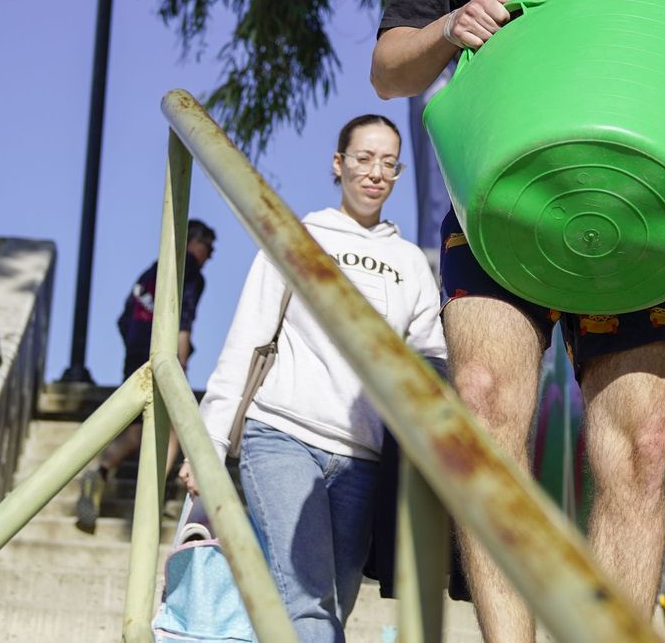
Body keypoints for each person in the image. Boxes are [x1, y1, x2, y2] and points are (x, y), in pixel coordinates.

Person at [371, 0, 665, 641]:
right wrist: (448, 27)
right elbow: (389, 65)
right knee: (483, 409)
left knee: (636, 446)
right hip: (501, 204)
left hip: (631, 206)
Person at [184, 114, 444, 643]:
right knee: (307, 606)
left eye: (389, 163)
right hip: (281, 437)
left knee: (332, 612)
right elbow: (245, 342)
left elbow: (430, 362)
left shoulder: (410, 262)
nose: (375, 172)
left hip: (363, 461)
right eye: (364, 158)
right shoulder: (298, 236)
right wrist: (207, 443)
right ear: (339, 162)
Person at [76, 218, 216, 532]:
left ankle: (100, 469)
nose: (209, 255)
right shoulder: (190, 272)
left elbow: (124, 318)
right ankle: (150, 501)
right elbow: (184, 320)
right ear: (194, 243)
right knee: (174, 431)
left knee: (142, 426)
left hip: (136, 353)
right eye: (209, 247)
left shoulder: (152, 271)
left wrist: (137, 351)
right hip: (162, 356)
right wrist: (179, 364)